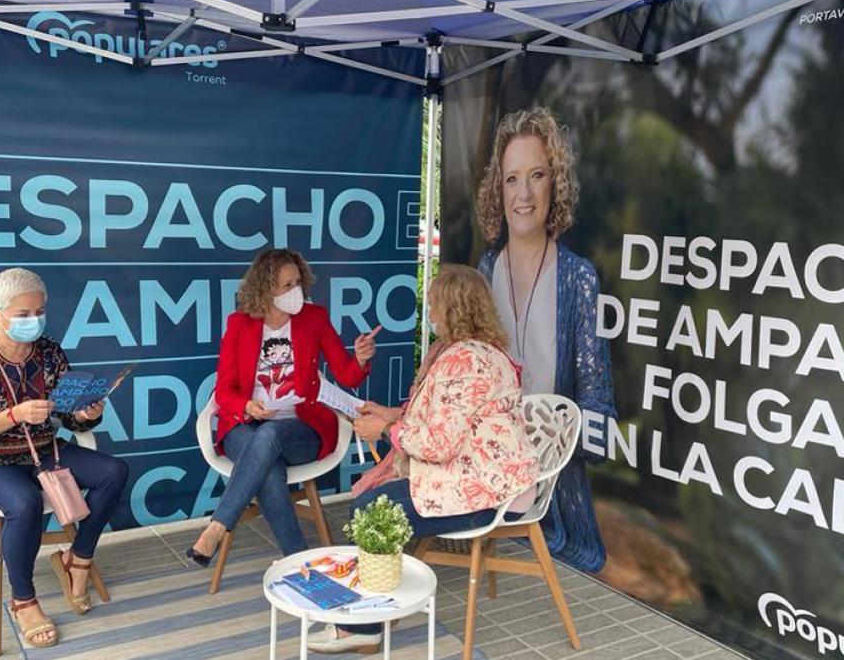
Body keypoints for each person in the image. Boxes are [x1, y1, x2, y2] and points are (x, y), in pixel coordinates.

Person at [309, 265, 540, 654]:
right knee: (373, 504)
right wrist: (387, 415)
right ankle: (365, 616)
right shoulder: (479, 352)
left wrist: (382, 431)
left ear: (453, 308)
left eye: (433, 303)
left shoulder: (463, 362)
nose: (429, 311)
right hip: (489, 478)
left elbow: (437, 444)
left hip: (492, 495)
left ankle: (363, 626)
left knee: (371, 512)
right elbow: (441, 418)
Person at [0, 268, 128, 649]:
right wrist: (14, 415)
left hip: (43, 450)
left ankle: (78, 559)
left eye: (39, 312)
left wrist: (85, 414)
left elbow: (65, 415)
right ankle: (23, 600)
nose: (35, 321)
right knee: (24, 503)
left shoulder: (49, 351)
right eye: (24, 315)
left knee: (114, 471)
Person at [475, 106, 616, 572]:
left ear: (554, 184)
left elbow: (597, 407)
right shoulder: (485, 270)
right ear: (499, 187)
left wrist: (547, 443)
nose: (524, 193)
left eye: (536, 175)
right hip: (489, 486)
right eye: (512, 178)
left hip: (554, 498)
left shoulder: (578, 278)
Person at [187, 248, 379, 564]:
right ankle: (301, 562)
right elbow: (224, 390)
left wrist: (359, 358)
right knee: (268, 466)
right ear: (265, 289)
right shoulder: (239, 324)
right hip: (245, 425)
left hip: (301, 428)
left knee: (271, 436)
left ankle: (217, 527)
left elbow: (346, 374)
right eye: (286, 286)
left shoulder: (314, 318)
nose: (296, 291)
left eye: (297, 282)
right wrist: (247, 405)